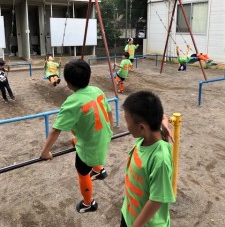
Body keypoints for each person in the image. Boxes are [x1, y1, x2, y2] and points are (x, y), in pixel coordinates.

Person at [40, 59, 113, 213]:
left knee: (82, 171)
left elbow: (55, 130)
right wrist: (110, 130)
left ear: (68, 83)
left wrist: (45, 152)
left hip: (91, 147)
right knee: (75, 138)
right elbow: (109, 112)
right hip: (104, 137)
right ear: (89, 76)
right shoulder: (97, 90)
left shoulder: (72, 102)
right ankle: (99, 170)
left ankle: (89, 203)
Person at [120, 90, 175, 227]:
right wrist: (165, 125)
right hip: (129, 213)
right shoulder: (148, 135)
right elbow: (162, 115)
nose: (126, 126)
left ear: (142, 127)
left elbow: (156, 200)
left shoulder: (160, 159)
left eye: (127, 121)